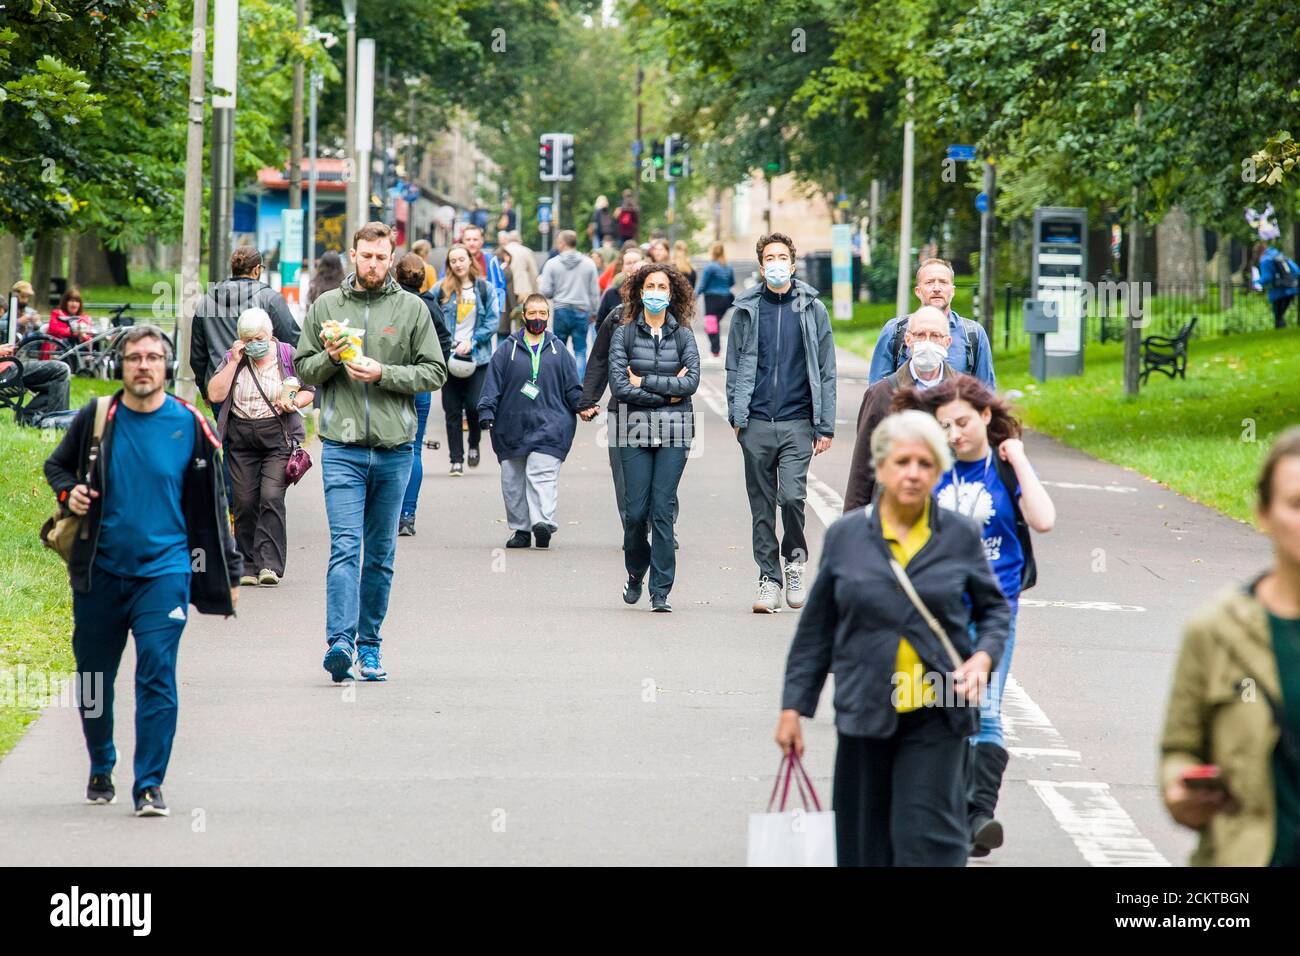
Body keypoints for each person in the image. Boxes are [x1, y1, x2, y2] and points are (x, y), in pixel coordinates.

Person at [776, 410, 1011, 866]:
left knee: (927, 840)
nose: (913, 473)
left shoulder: (959, 535)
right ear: (881, 468)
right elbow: (816, 631)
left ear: (938, 472)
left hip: (937, 711)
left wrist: (983, 657)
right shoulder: (847, 537)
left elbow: (994, 610)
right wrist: (793, 708)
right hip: (865, 707)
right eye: (902, 462)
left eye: (925, 464)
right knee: (865, 845)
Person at [44, 325, 241, 816]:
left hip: (165, 574)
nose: (144, 365)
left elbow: (214, 504)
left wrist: (231, 571)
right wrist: (70, 492)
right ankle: (101, 763)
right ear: (121, 365)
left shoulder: (190, 423)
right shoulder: (97, 417)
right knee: (94, 679)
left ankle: (150, 784)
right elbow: (57, 467)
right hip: (100, 572)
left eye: (153, 357)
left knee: (157, 672)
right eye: (134, 357)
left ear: (166, 366)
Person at [893, 374, 1056, 857]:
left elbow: (1044, 520)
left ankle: (979, 815)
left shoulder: (1004, 469)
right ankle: (953, 814)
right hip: (937, 614)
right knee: (942, 710)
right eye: (944, 426)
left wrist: (1019, 457)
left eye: (962, 423)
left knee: (984, 709)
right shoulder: (932, 468)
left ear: (985, 416)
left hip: (994, 614)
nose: (954, 434)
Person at [294, 222, 448, 683]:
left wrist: (384, 373)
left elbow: (435, 371)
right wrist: (331, 358)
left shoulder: (411, 308)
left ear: (391, 258)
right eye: (366, 256)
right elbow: (302, 368)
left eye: (381, 257)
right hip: (341, 448)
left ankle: (371, 646)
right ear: (354, 255)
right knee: (345, 547)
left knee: (379, 555)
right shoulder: (326, 306)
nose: (373, 264)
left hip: (394, 449)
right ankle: (339, 643)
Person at [1160, 428, 1300, 867]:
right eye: (1297, 504)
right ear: (1264, 513)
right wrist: (1180, 791)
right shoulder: (1215, 630)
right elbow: (1179, 750)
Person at [725, 232, 837, 613]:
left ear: (792, 264)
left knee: (791, 497)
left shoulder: (812, 309)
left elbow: (826, 369)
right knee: (761, 507)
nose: (776, 264)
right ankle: (768, 579)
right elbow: (733, 365)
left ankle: (794, 561)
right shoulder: (747, 309)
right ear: (761, 267)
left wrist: (825, 425)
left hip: (797, 422)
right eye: (769, 258)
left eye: (782, 257)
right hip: (755, 422)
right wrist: (736, 415)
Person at [608, 262, 700, 613]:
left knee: (663, 511)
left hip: (675, 433)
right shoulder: (624, 334)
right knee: (635, 513)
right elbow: (620, 387)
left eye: (663, 287)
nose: (656, 293)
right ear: (640, 292)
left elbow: (690, 383)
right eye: (651, 287)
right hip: (633, 430)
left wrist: (644, 382)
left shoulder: (684, 336)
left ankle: (660, 591)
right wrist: (667, 395)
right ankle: (636, 571)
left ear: (672, 293)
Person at [205, 307, 316, 587]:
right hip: (241, 439)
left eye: (259, 338)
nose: (254, 344)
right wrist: (233, 361)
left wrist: (294, 402)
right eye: (248, 339)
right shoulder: (234, 359)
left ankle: (269, 565)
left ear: (270, 334)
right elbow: (214, 394)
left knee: (271, 496)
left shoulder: (287, 355)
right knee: (243, 501)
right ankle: (246, 563)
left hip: (277, 437)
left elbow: (309, 389)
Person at [478, 294, 584, 549]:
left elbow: (573, 388)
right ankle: (522, 530)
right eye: (533, 313)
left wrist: (584, 406)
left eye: (543, 313)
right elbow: (492, 384)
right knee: (512, 480)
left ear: (548, 316)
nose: (538, 318)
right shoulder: (506, 350)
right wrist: (486, 411)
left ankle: (543, 523)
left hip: (551, 423)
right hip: (511, 425)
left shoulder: (560, 350)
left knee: (541, 472)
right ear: (523, 315)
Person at [843, 306, 957, 511]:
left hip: (947, 512)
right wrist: (852, 522)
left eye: (935, 336)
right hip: (893, 510)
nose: (927, 342)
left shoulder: (963, 394)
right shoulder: (882, 394)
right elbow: (862, 466)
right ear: (908, 340)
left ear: (947, 342)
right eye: (920, 335)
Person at [191, 246, 301, 404]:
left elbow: (197, 356)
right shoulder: (270, 299)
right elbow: (293, 341)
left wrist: (205, 391)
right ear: (257, 270)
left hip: (220, 387)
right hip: (263, 390)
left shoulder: (206, 301)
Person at [394, 253, 455, 537]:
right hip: (420, 385)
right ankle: (407, 515)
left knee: (388, 449)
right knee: (414, 449)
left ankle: (387, 512)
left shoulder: (392, 304)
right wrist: (433, 371)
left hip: (390, 383)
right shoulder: (431, 306)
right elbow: (445, 342)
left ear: (396, 276)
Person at [868, 258, 995, 387]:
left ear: (952, 291)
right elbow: (878, 390)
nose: (936, 288)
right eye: (929, 282)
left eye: (943, 282)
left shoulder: (973, 334)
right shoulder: (895, 331)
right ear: (918, 291)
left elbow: (986, 391)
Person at [437, 242, 498, 475]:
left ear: (470, 261)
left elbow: (492, 320)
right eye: (453, 260)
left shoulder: (484, 289)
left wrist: (473, 341)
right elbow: (427, 310)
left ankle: (474, 442)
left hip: (477, 357)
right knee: (452, 410)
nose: (458, 264)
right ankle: (456, 459)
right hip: (449, 358)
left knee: (474, 406)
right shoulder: (441, 289)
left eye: (461, 259)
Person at [538, 229, 601, 379]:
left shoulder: (552, 264)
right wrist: (594, 312)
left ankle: (558, 382)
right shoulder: (589, 264)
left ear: (562, 243)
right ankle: (578, 386)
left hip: (561, 310)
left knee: (558, 349)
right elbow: (594, 291)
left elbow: (546, 291)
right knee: (580, 350)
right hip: (582, 311)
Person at [0, 339, 71, 425]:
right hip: (5, 373)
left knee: (54, 382)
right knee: (61, 370)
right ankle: (56, 422)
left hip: (9, 368)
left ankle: (28, 418)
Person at [460, 223, 509, 321]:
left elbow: (500, 290)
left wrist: (495, 317)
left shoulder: (491, 262)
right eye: (468, 239)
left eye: (475, 239)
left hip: (483, 319)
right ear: (463, 241)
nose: (471, 243)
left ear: (481, 241)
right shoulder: (454, 260)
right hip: (459, 318)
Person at [695, 242, 735, 360]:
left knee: (711, 325)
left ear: (712, 252)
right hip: (726, 299)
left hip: (712, 299)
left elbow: (703, 284)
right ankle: (716, 350)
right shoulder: (728, 266)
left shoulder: (710, 267)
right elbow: (732, 282)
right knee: (714, 324)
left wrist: (694, 296)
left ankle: (715, 351)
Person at [1256, 242, 1300, 329]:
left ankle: (1281, 331)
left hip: (1278, 291)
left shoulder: (1265, 260)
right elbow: (1296, 270)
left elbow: (1267, 277)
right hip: (1291, 288)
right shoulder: (1280, 255)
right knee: (1281, 315)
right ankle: (1283, 331)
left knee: (1278, 316)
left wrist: (1256, 282)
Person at [502, 230, 541, 302]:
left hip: (506, 290)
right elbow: (533, 273)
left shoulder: (502, 251)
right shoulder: (526, 251)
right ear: (520, 240)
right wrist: (535, 292)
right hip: (523, 289)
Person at [495, 244, 518, 347]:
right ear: (505, 256)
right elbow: (510, 290)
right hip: (504, 305)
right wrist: (514, 307)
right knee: (503, 335)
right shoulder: (506, 269)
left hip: (496, 304)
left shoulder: (494, 268)